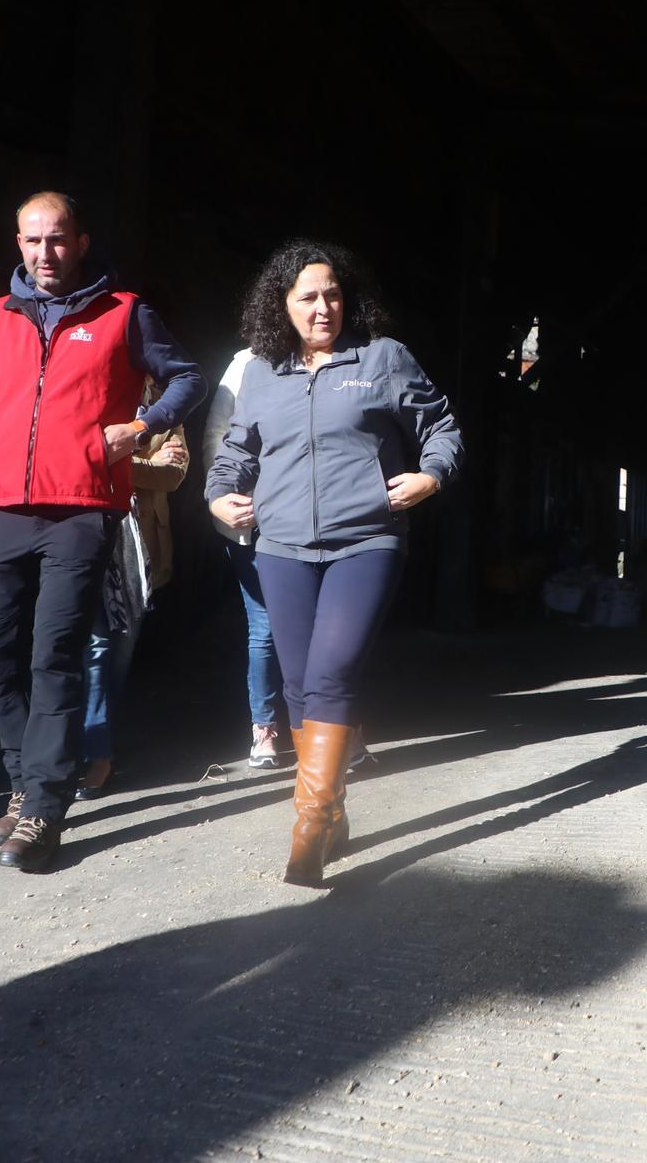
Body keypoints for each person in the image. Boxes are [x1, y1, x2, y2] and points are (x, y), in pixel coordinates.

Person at [0, 192, 202, 871]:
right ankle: (24, 775)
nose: (44, 253)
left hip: (83, 508)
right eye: (32, 241)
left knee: (55, 654)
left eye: (57, 240)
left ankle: (43, 807)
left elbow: (186, 377)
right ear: (18, 243)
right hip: (4, 505)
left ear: (82, 241)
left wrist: (141, 426)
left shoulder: (123, 312)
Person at [206, 239, 462, 886]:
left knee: (332, 672)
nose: (323, 308)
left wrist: (430, 475)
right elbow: (236, 451)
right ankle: (335, 807)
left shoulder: (382, 359)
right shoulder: (262, 372)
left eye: (333, 294)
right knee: (297, 685)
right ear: (282, 306)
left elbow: (442, 428)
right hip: (283, 547)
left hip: (366, 541)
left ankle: (311, 821)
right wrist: (218, 497)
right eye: (308, 298)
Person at [77, 378, 189, 800]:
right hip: (85, 539)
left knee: (118, 655)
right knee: (94, 648)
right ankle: (95, 754)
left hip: (137, 556)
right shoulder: (89, 397)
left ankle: (92, 741)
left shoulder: (164, 410)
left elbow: (173, 476)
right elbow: (80, 456)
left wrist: (116, 461)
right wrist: (143, 462)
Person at [203, 347, 294, 771]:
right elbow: (217, 435)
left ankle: (332, 725)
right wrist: (221, 497)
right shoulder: (245, 362)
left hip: (310, 514)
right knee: (265, 625)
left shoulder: (332, 359)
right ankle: (265, 727)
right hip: (254, 516)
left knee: (321, 623)